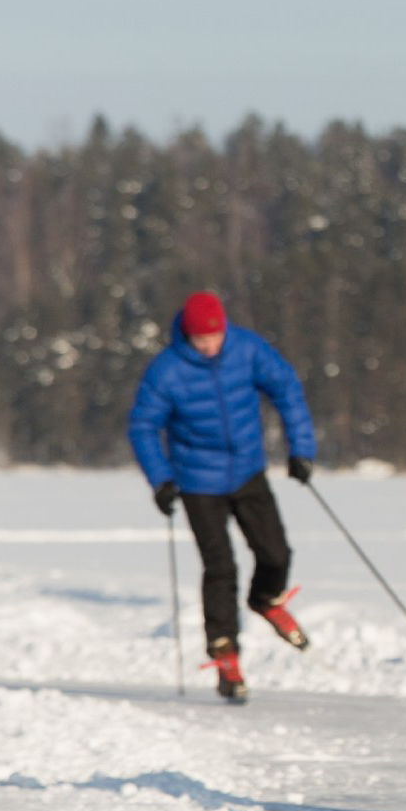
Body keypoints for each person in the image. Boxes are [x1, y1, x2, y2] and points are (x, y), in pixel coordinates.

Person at [128, 291, 316, 701]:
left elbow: (286, 389)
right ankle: (226, 657)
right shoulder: (167, 370)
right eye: (201, 340)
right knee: (220, 568)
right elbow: (142, 426)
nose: (210, 345)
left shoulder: (246, 349)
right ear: (187, 336)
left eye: (215, 337)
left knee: (276, 553)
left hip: (248, 470)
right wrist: (160, 479)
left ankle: (267, 600)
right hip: (197, 482)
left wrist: (301, 449)